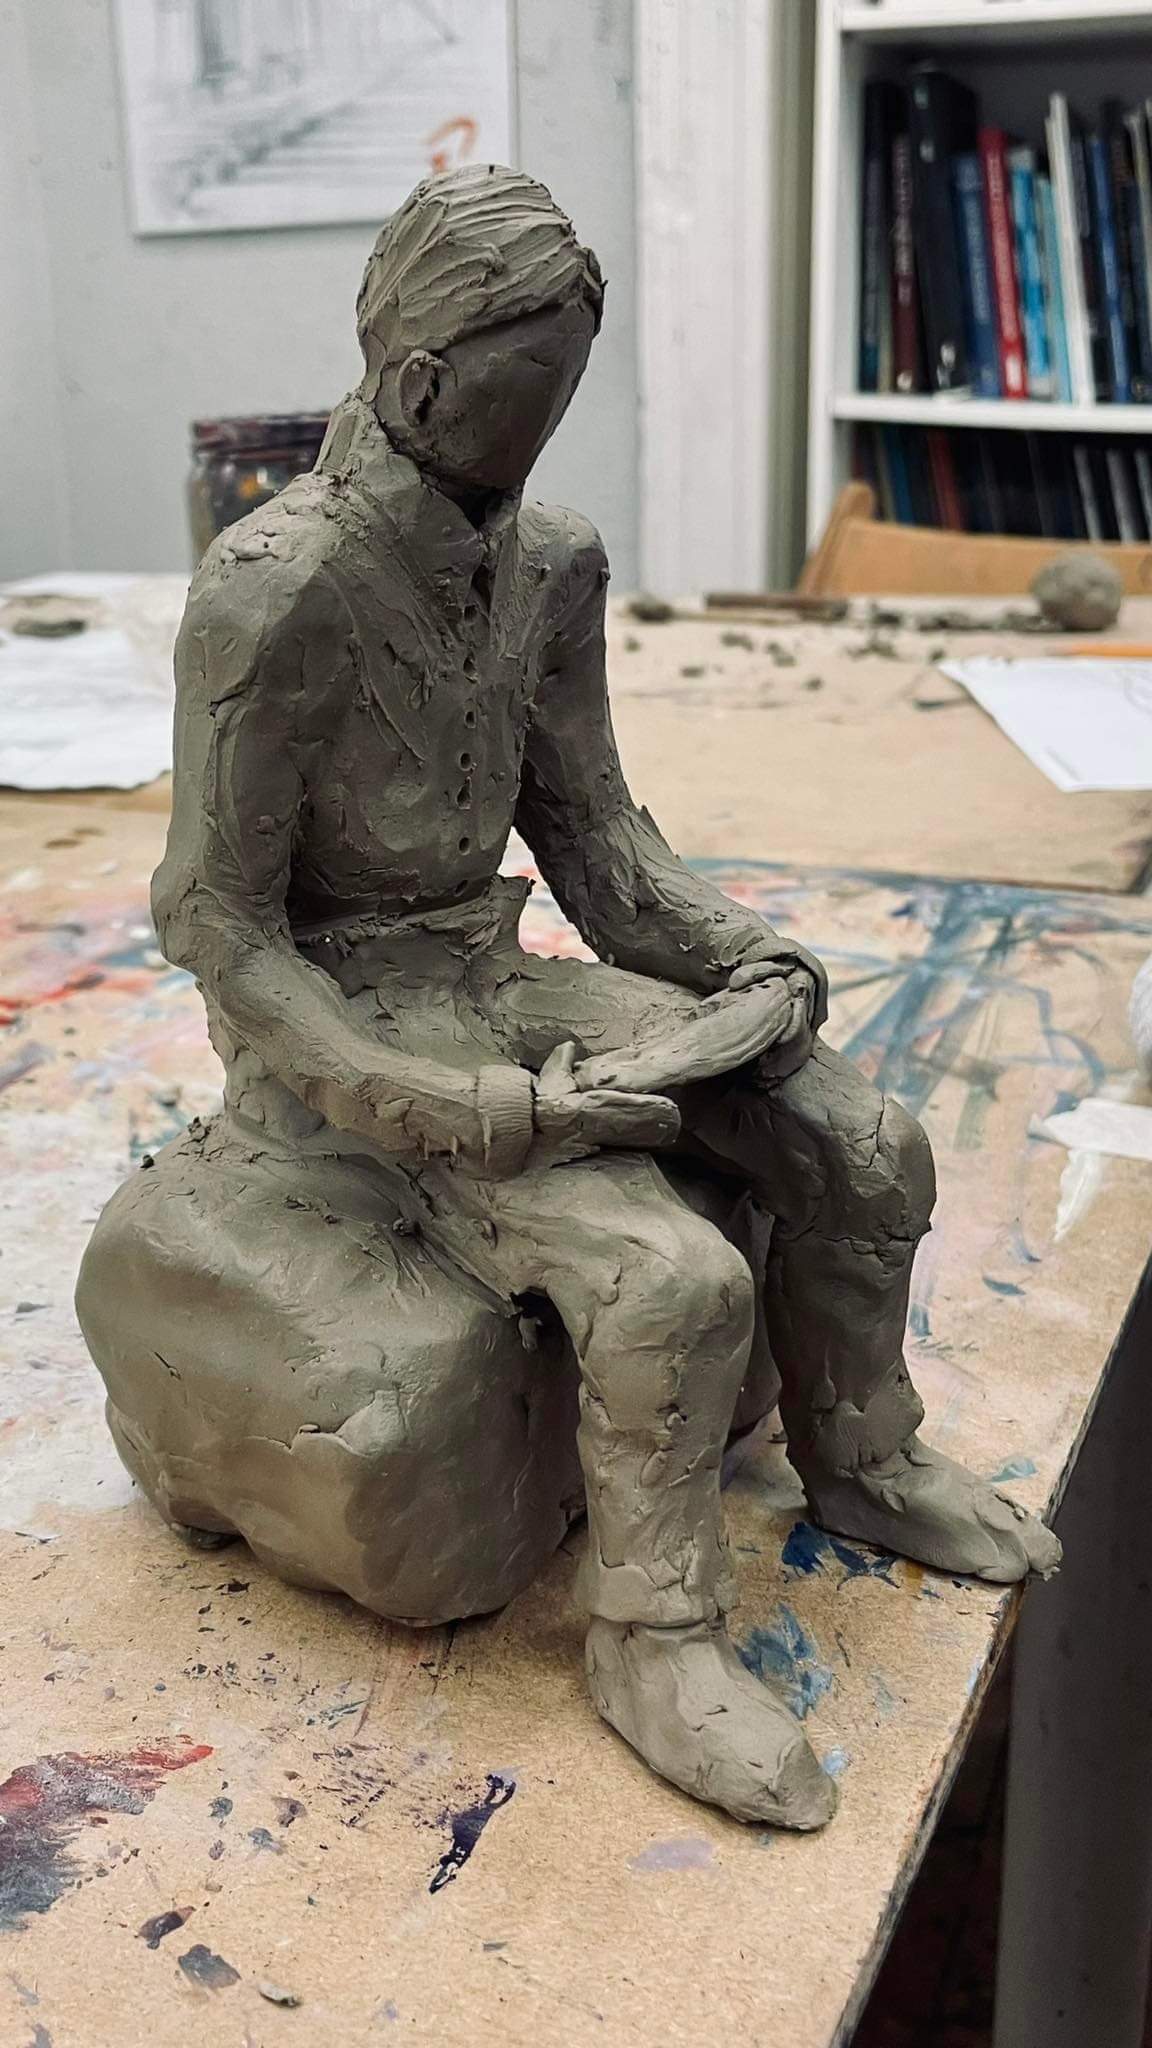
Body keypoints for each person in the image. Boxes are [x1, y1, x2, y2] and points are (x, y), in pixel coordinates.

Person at [148, 166, 1058, 1829]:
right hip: (353, 1035)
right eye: (532, 389)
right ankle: (653, 1636)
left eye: (572, 383)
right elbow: (217, 924)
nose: (556, 424)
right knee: (670, 1276)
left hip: (493, 978)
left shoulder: (550, 563)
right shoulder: (275, 588)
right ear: (424, 382)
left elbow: (600, 842)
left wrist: (744, 956)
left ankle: (864, 1459)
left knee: (864, 1143)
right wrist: (443, 1105)